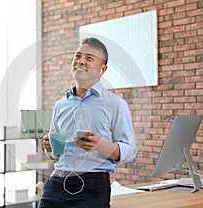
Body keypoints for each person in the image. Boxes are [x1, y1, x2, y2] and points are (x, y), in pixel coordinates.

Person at [39, 37, 136, 208]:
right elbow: (57, 154)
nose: (80, 61)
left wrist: (98, 144)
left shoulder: (115, 104)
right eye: (77, 56)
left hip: (92, 187)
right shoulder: (60, 104)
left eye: (89, 58)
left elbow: (129, 151)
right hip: (55, 184)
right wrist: (51, 149)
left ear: (102, 69)